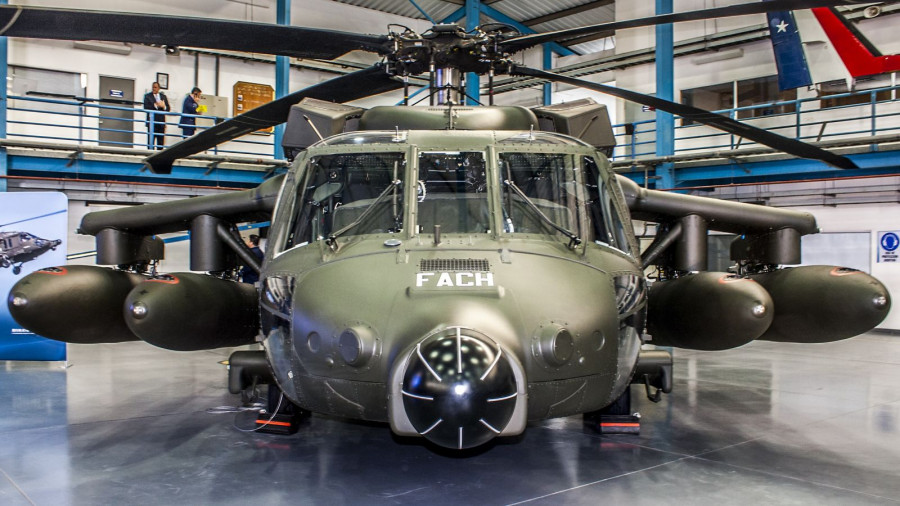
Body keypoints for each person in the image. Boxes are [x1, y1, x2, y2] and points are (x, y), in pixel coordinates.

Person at [142, 81, 170, 149]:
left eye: (155, 87)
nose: (154, 89)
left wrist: (164, 106)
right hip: (152, 123)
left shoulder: (163, 97)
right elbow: (146, 107)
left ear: (159, 88)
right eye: (153, 87)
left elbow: (168, 108)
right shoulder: (147, 96)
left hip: (161, 123)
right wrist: (156, 105)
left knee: (160, 143)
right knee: (150, 142)